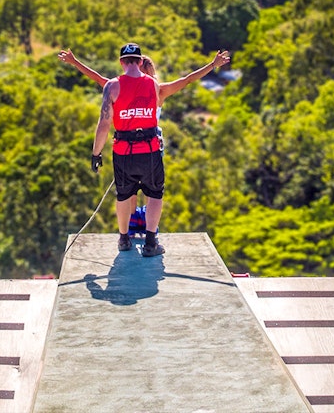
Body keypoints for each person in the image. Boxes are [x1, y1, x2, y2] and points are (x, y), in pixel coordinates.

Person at [74, 43, 231, 256]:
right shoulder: (155, 88)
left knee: (123, 194)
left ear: (121, 62)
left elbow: (104, 122)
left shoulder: (113, 86)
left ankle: (124, 238)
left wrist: (96, 153)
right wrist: (212, 65)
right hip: (150, 149)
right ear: (139, 62)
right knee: (155, 194)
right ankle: (150, 241)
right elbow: (187, 80)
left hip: (123, 150)